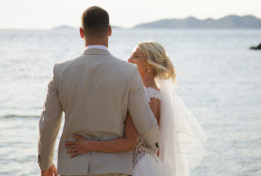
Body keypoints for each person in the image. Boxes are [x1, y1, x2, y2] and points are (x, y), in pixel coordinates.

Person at [38, 6, 160, 176]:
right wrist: (157, 146)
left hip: (73, 167)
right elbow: (145, 121)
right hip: (114, 168)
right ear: (109, 31)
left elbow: (48, 122)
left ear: (81, 32)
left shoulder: (60, 71)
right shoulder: (128, 73)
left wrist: (45, 163)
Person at [65, 41, 206, 176]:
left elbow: (129, 143)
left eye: (135, 56)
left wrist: (88, 145)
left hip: (139, 167)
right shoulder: (161, 97)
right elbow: (160, 146)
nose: (129, 59)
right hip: (153, 166)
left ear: (149, 65)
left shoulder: (142, 97)